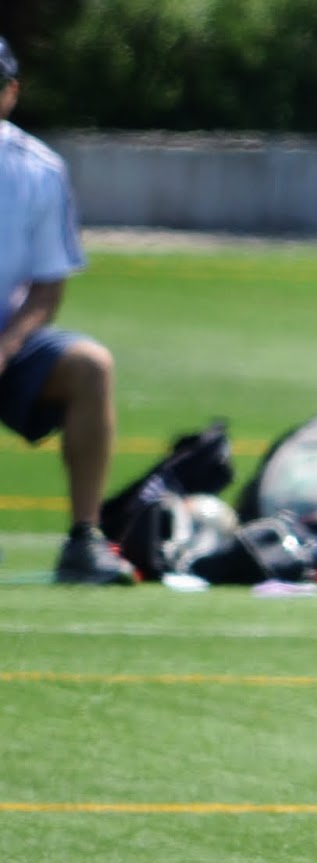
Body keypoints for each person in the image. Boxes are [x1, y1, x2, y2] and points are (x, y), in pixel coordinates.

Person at [0, 36, 134, 584]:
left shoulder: (38, 169)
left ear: (10, 93)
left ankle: (84, 540)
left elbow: (47, 287)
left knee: (90, 367)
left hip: (6, 337)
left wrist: (6, 348)